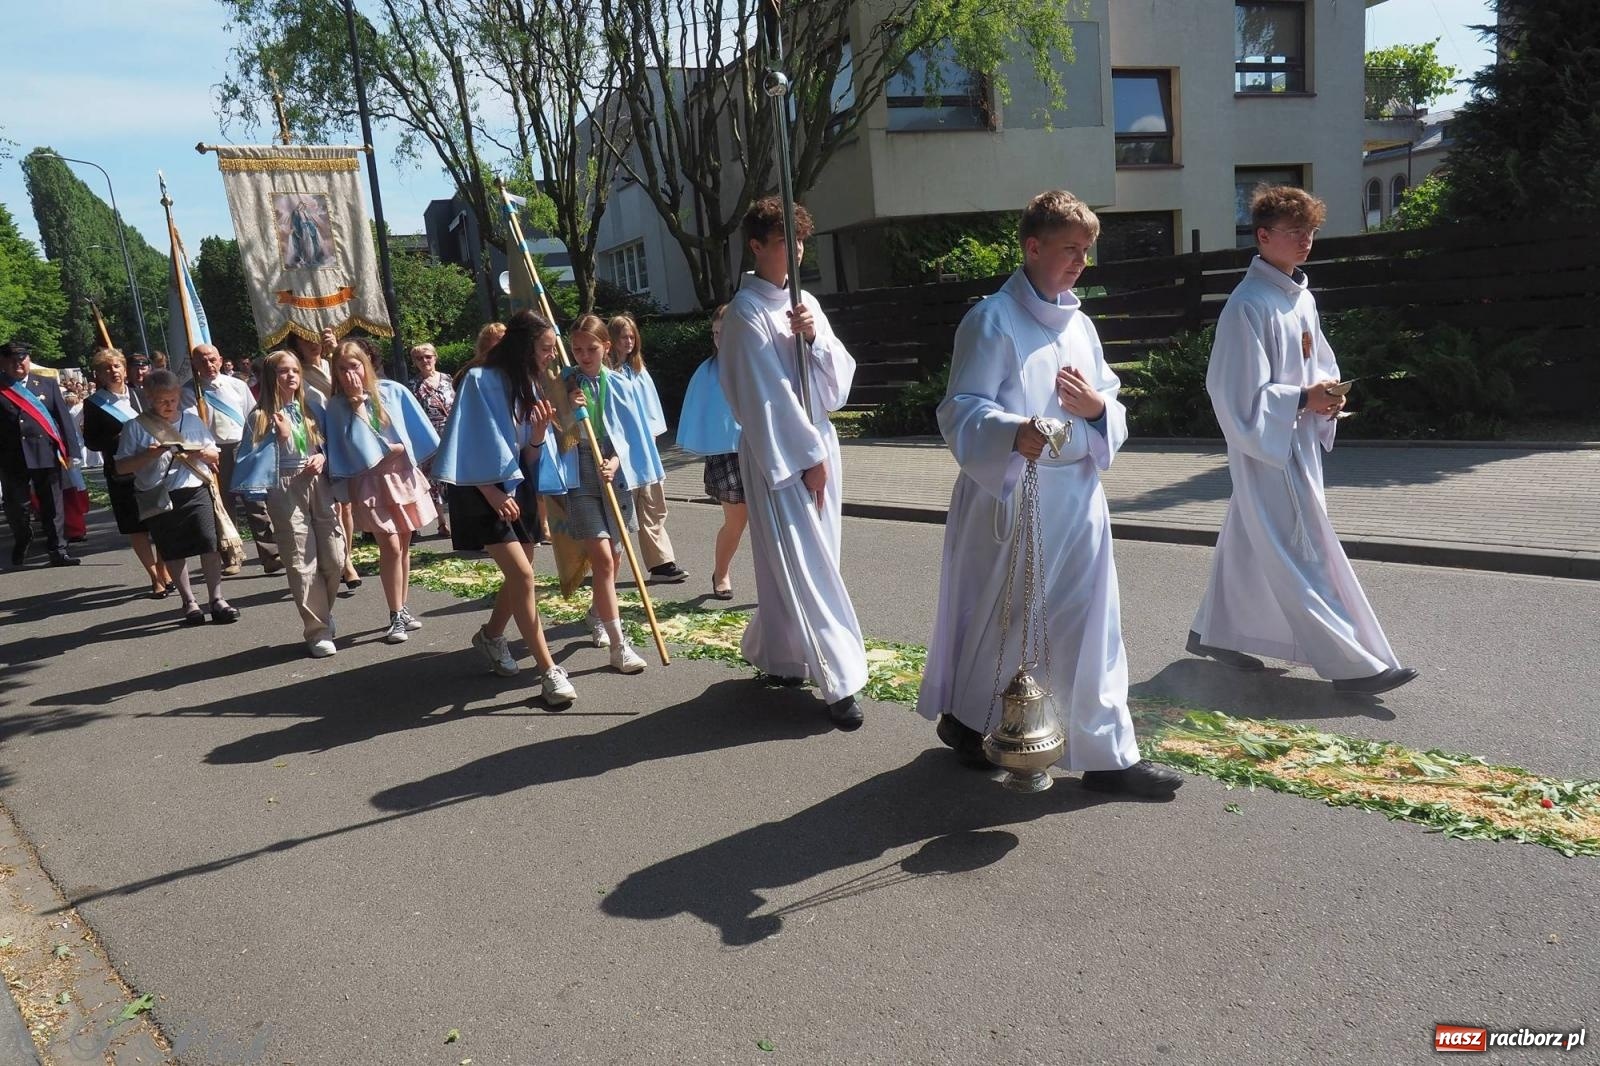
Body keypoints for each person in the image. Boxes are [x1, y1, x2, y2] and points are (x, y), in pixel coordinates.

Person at [917, 190, 1181, 797]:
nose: (1081, 262)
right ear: (1033, 247)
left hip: (1079, 498)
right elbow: (960, 408)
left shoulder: (1081, 325)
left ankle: (1107, 755)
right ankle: (978, 723)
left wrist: (1097, 410)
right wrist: (1014, 432)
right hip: (1012, 496)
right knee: (1007, 620)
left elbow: (1110, 402)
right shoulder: (990, 320)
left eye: (1086, 251)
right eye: (1070, 249)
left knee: (1092, 623)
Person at [1188, 185, 1418, 696]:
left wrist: (1328, 396)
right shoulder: (1247, 305)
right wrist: (1299, 399)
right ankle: (1353, 665)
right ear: (1263, 236)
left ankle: (1214, 630)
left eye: (1311, 231)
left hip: (1296, 442)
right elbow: (1231, 391)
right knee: (1303, 549)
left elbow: (1319, 364)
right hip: (1267, 449)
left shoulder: (1301, 298)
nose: (1306, 240)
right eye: (1294, 231)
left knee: (1253, 538)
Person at [718, 196, 866, 731]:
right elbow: (765, 396)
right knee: (805, 563)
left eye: (801, 240)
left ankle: (780, 654)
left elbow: (837, 386)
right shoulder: (745, 314)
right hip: (780, 452)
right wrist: (808, 458)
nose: (798, 250)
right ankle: (839, 680)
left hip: (817, 440)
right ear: (757, 246)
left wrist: (815, 337)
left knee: (814, 556)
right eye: (785, 241)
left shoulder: (808, 305)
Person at [432, 310, 577, 707]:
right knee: (524, 575)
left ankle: (491, 636)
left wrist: (539, 434)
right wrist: (493, 494)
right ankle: (549, 671)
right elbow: (467, 447)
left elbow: (529, 456)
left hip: (518, 487)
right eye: (546, 348)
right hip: (482, 492)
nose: (551, 356)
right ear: (525, 347)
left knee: (519, 577)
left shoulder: (530, 383)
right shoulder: (478, 381)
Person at [322, 342, 439, 646]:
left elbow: (413, 433)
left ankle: (403, 606)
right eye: (342, 369)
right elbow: (350, 448)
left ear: (366, 365)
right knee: (390, 546)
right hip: (370, 483)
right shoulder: (336, 406)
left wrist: (401, 449)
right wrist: (357, 407)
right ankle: (394, 613)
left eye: (355, 366)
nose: (350, 374)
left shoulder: (391, 391)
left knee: (404, 545)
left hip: (401, 477)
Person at [233, 351, 346, 658]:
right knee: (300, 560)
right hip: (284, 487)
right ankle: (317, 630)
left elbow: (328, 444)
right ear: (272, 376)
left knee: (335, 557)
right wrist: (276, 439)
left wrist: (322, 457)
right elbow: (248, 462)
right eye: (284, 371)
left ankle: (323, 614)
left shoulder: (311, 408)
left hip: (318, 484)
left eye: (295, 370)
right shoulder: (259, 416)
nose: (291, 376)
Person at [565, 314, 653, 674]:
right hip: (581, 473)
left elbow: (631, 434)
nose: (584, 356)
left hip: (612, 472)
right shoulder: (565, 382)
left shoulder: (619, 383)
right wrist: (567, 409)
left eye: (591, 348)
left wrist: (615, 462)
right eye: (577, 350)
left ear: (606, 346)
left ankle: (597, 611)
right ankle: (619, 646)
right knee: (602, 559)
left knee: (614, 559)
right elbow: (552, 432)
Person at [114, 369, 238, 624]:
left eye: (173, 399)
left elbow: (214, 454)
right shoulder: (135, 427)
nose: (169, 405)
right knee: (172, 549)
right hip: (159, 494)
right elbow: (121, 467)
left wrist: (200, 453)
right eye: (162, 401)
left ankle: (217, 599)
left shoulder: (192, 421)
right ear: (149, 398)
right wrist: (148, 455)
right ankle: (189, 602)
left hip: (195, 490)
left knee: (209, 543)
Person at [82, 349, 172, 597]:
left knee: (161, 520)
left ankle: (164, 568)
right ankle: (154, 576)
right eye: (106, 368)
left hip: (153, 467)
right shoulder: (94, 404)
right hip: (122, 471)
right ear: (99, 375)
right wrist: (121, 436)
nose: (113, 371)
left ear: (124, 369)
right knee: (136, 526)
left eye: (116, 366)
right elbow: (91, 441)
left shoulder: (142, 395)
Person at [185, 344, 281, 575]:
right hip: (213, 451)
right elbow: (190, 425)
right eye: (202, 361)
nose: (209, 365)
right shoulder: (189, 392)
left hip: (242, 445)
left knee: (255, 502)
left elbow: (252, 416)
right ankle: (232, 556)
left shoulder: (237, 385)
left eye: (212, 359)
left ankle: (270, 554)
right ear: (194, 364)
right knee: (223, 504)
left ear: (220, 360)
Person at [607, 313, 686, 583]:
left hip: (646, 450)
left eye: (632, 337)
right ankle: (604, 564)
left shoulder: (638, 370)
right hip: (618, 451)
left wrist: (651, 440)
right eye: (623, 337)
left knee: (653, 504)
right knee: (618, 511)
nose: (628, 342)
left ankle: (661, 563)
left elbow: (651, 412)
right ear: (612, 339)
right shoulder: (607, 373)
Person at [676, 304, 745, 600]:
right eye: (715, 333)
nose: (718, 339)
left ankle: (775, 582)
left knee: (768, 524)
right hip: (725, 454)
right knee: (736, 521)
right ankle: (721, 572)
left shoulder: (754, 362)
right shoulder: (707, 371)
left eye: (724, 332)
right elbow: (701, 412)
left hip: (758, 450)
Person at [290, 327, 361, 589]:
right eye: (305, 338)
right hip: (317, 441)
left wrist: (335, 352)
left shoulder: (336, 364)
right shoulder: (297, 371)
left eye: (316, 337)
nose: (313, 343)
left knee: (346, 504)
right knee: (330, 506)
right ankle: (339, 560)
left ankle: (346, 557)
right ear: (296, 342)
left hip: (341, 435)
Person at [0, 341, 82, 567]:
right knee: (16, 506)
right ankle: (23, 535)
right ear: (2, 362)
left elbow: (63, 419)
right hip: (11, 457)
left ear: (29, 360)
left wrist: (72, 451)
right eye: (12, 360)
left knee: (52, 504)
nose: (18, 364)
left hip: (44, 452)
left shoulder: (46, 384)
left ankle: (58, 550)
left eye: (22, 359)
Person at [408, 342, 455, 539]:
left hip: (451, 434)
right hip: (429, 437)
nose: (425, 361)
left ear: (435, 357)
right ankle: (442, 523)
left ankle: (459, 520)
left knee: (454, 477)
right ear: (414, 362)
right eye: (419, 358)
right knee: (433, 479)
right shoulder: (413, 386)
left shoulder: (448, 379)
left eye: (428, 356)